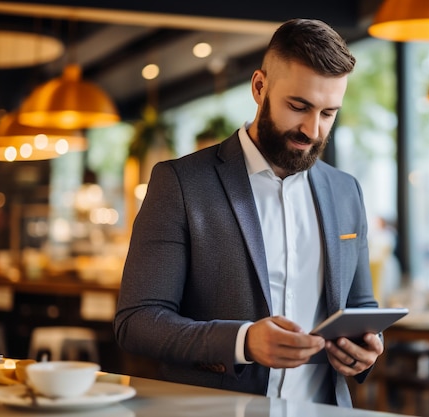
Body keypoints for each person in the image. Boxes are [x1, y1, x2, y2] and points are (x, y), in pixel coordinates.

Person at [113, 18, 383, 407]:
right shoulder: (180, 183)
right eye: (298, 106)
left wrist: (369, 347)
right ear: (260, 87)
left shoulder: (346, 191)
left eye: (328, 113)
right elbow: (136, 322)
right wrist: (243, 342)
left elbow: (362, 306)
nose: (312, 129)